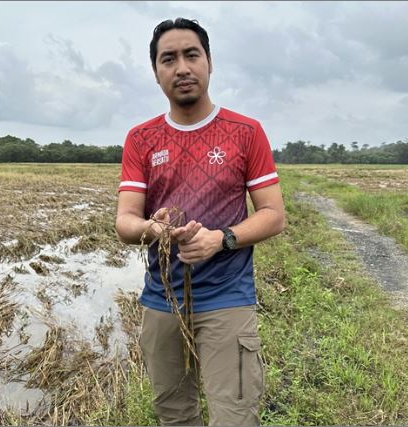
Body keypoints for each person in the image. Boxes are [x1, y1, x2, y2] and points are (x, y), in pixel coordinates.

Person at [115, 18, 286, 426]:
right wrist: (152, 229)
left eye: (192, 55)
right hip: (162, 300)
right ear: (156, 73)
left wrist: (220, 240)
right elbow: (125, 221)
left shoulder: (246, 132)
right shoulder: (141, 139)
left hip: (227, 299)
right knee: (173, 415)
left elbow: (274, 215)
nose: (182, 68)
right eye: (168, 59)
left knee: (236, 416)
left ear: (209, 62)